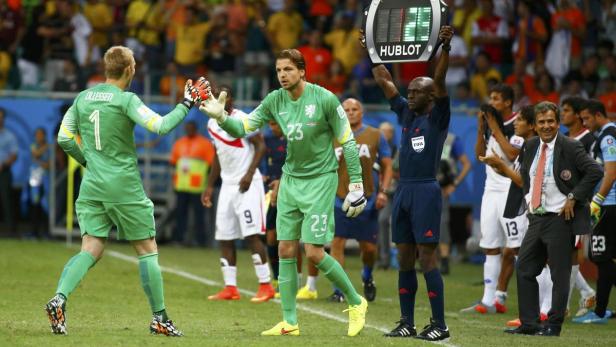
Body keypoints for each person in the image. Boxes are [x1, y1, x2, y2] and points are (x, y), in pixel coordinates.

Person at [199, 48, 368, 337]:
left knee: (313, 252)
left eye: (288, 69)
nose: (282, 75)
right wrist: (223, 119)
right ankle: (289, 322)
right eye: (279, 71)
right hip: (290, 179)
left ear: (302, 71)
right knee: (285, 248)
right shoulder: (274, 100)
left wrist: (355, 185)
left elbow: (348, 143)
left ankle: (356, 301)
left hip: (320, 180)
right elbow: (244, 127)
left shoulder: (325, 99)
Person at [45, 45, 208, 336]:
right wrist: (186, 103)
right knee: (147, 250)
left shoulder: (82, 98)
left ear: (107, 68)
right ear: (130, 70)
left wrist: (89, 162)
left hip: (92, 184)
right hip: (123, 186)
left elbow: (64, 138)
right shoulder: (126, 100)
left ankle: (59, 298)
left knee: (91, 247)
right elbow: (160, 126)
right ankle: (159, 318)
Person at [368, 25, 453, 341]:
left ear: (431, 96)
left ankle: (440, 325)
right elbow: (385, 80)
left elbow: (441, 80)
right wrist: (372, 50)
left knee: (426, 258)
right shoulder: (405, 113)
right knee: (404, 257)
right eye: (411, 90)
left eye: (417, 91)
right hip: (402, 190)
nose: (410, 94)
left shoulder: (438, 117)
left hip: (426, 190)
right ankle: (407, 321)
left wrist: (445, 49)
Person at [506, 101, 602, 336]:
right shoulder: (529, 146)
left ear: (558, 123)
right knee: (525, 268)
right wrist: (529, 200)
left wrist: (574, 196)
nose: (547, 126)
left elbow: (595, 171)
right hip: (537, 218)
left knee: (559, 274)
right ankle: (529, 323)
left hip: (561, 219)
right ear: (535, 126)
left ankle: (553, 324)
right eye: (542, 122)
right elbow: (527, 177)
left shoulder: (570, 146)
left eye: (551, 121)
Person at [296, 98, 392, 303]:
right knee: (337, 243)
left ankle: (367, 274)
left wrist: (384, 191)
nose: (350, 112)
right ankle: (339, 290)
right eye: (346, 109)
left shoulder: (375, 135)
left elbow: (387, 165)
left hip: (367, 199)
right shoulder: (331, 135)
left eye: (354, 109)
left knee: (368, 249)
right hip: (338, 198)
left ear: (362, 112)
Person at [201, 85, 275, 303]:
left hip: (248, 183)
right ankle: (230, 288)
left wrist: (249, 173)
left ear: (231, 97)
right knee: (225, 236)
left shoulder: (242, 118)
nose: (221, 99)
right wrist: (209, 185)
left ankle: (266, 286)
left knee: (252, 235)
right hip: (227, 185)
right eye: (215, 96)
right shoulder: (211, 123)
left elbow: (261, 146)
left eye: (225, 95)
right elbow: (217, 154)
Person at [478, 106, 550, 327]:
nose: (515, 123)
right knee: (532, 258)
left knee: (534, 258)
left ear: (531, 126)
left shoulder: (534, 148)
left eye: (520, 120)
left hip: (534, 208)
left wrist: (501, 165)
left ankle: (544, 309)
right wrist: (499, 167)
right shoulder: (529, 146)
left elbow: (522, 182)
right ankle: (538, 310)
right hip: (526, 207)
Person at [463, 84, 522, 315]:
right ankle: (488, 300)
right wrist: (481, 128)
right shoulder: (489, 125)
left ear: (508, 102)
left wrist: (494, 126)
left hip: (512, 189)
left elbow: (511, 154)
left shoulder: (517, 123)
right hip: (491, 190)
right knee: (490, 246)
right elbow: (480, 155)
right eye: (491, 97)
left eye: (496, 98)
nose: (492, 101)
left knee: (517, 248)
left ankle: (537, 303)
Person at [574, 100, 616, 324]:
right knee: (605, 258)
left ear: (599, 115)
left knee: (601, 257)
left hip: (608, 204)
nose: (584, 123)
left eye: (587, 118)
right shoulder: (607, 134)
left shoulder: (608, 136)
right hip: (609, 203)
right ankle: (601, 310)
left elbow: (611, 173)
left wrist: (597, 200)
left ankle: (599, 312)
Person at [560, 96, 598, 316]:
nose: (563, 114)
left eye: (566, 110)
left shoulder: (589, 139)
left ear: (577, 115)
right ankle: (585, 292)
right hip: (561, 202)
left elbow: (592, 171)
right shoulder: (564, 138)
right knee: (559, 253)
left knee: (570, 252)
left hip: (580, 203)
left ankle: (563, 304)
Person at [169, 120, 215, 246]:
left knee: (199, 215)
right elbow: (173, 163)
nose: (189, 130)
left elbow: (211, 164)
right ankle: (179, 239)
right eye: (187, 128)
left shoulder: (205, 144)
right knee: (180, 214)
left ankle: (201, 241)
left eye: (191, 128)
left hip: (198, 186)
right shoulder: (179, 143)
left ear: (196, 128)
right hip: (181, 185)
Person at [438, 132, 471, 275]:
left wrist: (454, 183)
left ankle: (444, 260)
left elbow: (466, 164)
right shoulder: (422, 134)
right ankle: (429, 260)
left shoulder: (451, 140)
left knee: (441, 224)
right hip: (423, 187)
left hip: (441, 188)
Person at [28, 127, 51, 239]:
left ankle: (46, 232)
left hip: (46, 180)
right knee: (34, 205)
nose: (39, 137)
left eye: (41, 134)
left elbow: (49, 165)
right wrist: (45, 148)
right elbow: (35, 154)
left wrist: (39, 162)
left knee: (46, 206)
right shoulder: (33, 145)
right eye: (37, 134)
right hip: (35, 181)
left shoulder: (49, 148)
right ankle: (34, 232)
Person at [0, 107, 18, 234]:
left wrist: (3, 165)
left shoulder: (9, 136)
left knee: (6, 200)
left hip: (4, 172)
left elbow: (14, 155)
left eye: (1, 117)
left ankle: (10, 230)